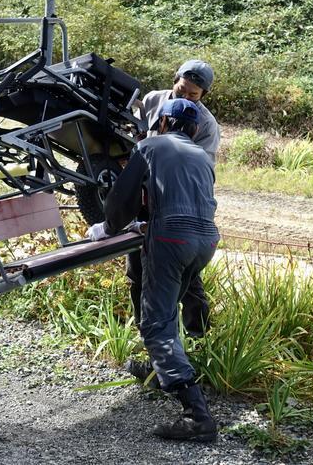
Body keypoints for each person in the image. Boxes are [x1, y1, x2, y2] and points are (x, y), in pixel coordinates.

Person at [87, 98, 219, 442]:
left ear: (162, 122)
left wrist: (108, 226)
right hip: (206, 240)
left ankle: (197, 415)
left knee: (156, 324)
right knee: (169, 305)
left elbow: (122, 198)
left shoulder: (150, 145)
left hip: (171, 240)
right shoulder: (203, 158)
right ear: (192, 130)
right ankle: (163, 370)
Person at [125, 59, 220, 383]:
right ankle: (153, 346)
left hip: (177, 205)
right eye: (183, 90)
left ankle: (196, 343)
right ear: (175, 80)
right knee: (138, 271)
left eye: (195, 95)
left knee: (185, 282)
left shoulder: (206, 125)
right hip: (146, 201)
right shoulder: (153, 100)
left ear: (203, 95)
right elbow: (134, 133)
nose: (188, 97)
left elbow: (200, 172)